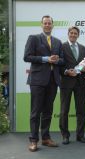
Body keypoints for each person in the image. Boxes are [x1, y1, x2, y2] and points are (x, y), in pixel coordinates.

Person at [23, 15, 64, 152]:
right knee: (35, 112)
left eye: (49, 23)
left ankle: (45, 138)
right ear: (41, 25)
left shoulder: (58, 42)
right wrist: (46, 59)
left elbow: (62, 61)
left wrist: (57, 60)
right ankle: (34, 140)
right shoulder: (33, 38)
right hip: (37, 81)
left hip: (53, 80)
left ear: (53, 25)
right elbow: (27, 57)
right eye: (45, 23)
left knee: (48, 111)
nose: (47, 25)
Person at [59, 26, 85, 145]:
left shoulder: (83, 48)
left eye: (75, 33)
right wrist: (66, 71)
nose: (73, 35)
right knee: (64, 110)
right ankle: (65, 136)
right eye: (71, 33)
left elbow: (83, 65)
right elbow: (59, 64)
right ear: (68, 34)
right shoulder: (62, 46)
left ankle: (80, 135)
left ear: (78, 35)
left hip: (80, 83)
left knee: (81, 111)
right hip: (66, 82)